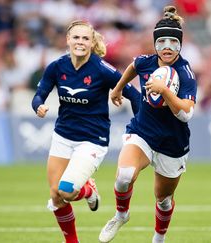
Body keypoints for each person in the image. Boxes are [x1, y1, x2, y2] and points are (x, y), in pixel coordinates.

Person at [31, 20, 140, 243]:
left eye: (85, 38)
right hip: (62, 136)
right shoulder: (56, 66)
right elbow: (39, 94)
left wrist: (139, 130)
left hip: (92, 140)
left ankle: (88, 190)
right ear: (68, 40)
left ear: (92, 43)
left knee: (68, 191)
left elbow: (134, 96)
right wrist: (38, 106)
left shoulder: (102, 69)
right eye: (76, 37)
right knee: (55, 195)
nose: (80, 42)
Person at [99, 6, 197, 243]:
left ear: (180, 45)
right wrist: (119, 87)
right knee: (124, 176)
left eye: (173, 42)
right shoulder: (146, 62)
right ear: (155, 44)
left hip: (172, 143)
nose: (167, 47)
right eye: (161, 41)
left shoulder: (185, 74)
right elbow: (133, 66)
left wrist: (165, 91)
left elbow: (186, 114)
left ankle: (158, 238)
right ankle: (121, 214)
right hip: (142, 132)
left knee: (163, 199)